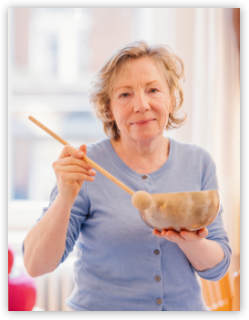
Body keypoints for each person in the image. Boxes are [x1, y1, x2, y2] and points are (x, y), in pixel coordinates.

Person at [23, 41, 231, 311]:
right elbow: (36, 265)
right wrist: (65, 198)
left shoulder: (198, 162)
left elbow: (217, 268)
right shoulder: (86, 164)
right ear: (108, 108)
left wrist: (190, 242)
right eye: (124, 95)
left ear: (171, 97)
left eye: (153, 90)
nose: (141, 105)